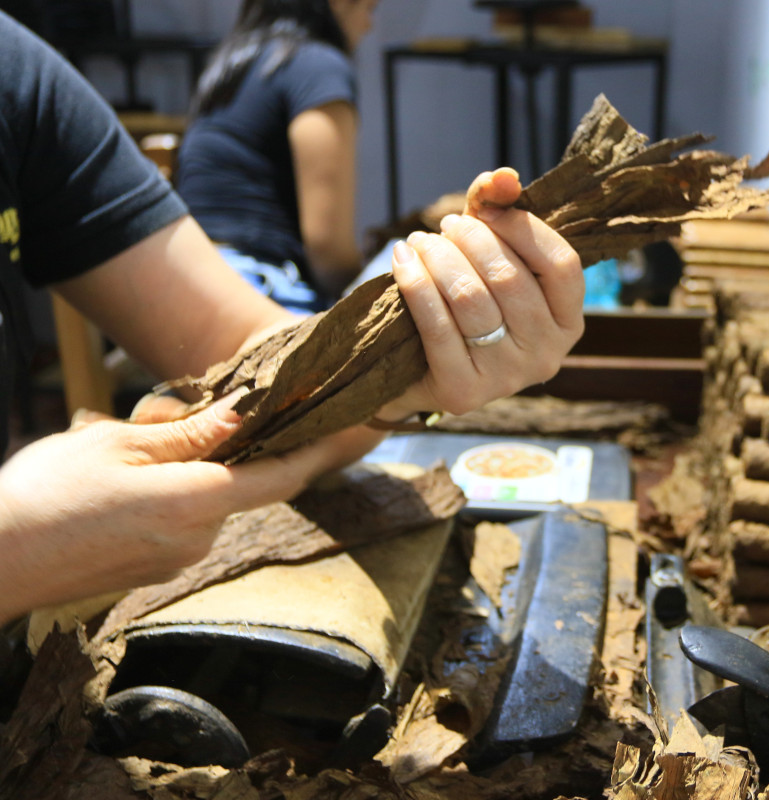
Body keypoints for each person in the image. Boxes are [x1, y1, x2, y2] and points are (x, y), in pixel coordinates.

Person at [0, 11, 584, 626]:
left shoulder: (24, 79)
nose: (376, 11)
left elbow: (246, 348)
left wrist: (399, 376)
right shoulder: (318, 66)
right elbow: (327, 245)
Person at [174, 0, 377, 314]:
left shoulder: (230, 66)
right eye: (370, 8)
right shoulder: (319, 66)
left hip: (188, 282)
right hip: (259, 289)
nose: (369, 25)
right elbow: (328, 249)